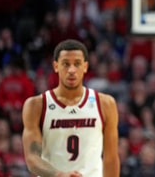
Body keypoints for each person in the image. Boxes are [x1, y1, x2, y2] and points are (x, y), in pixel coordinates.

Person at [22, 39, 120, 177]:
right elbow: (32, 159)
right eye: (66, 64)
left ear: (85, 66)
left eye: (77, 64)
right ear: (56, 66)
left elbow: (111, 159)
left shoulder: (105, 103)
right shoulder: (36, 105)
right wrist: (58, 174)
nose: (72, 70)